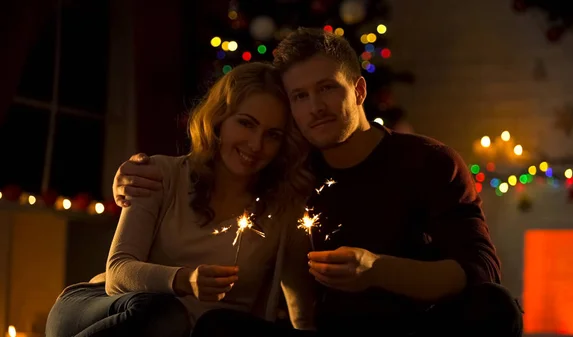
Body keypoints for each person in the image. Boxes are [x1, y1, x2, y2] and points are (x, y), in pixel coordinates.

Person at [111, 28, 523, 336]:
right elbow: (212, 166)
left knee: (495, 306)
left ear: (359, 90)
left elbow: (480, 271)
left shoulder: (428, 162)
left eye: (327, 89)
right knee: (220, 327)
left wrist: (378, 270)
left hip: (418, 326)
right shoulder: (289, 168)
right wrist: (131, 174)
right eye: (299, 96)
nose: (315, 107)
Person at [45, 62, 317, 337]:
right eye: (246, 124)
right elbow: (117, 273)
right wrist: (185, 279)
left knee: (212, 324)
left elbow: (303, 312)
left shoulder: (284, 213)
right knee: (165, 315)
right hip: (99, 309)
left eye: (272, 135)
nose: (256, 145)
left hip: (205, 329)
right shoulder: (160, 174)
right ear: (219, 119)